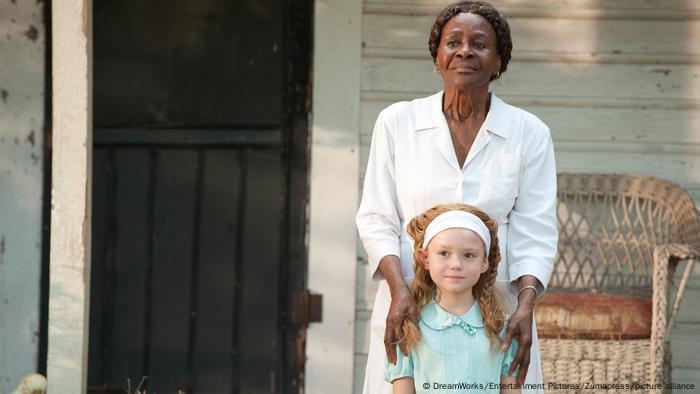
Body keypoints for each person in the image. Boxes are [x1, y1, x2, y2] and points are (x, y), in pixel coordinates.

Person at [356, 1, 558, 393]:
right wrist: (400, 291)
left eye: (479, 44)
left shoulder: (528, 132)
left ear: (498, 61)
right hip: (409, 299)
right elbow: (377, 217)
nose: (465, 50)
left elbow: (536, 229)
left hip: (494, 309)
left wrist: (525, 307)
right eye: (454, 42)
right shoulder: (398, 122)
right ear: (437, 57)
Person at [385, 204, 520, 394]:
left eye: (468, 255)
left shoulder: (501, 328)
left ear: (484, 262)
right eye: (443, 253)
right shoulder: (409, 328)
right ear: (425, 258)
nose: (456, 264)